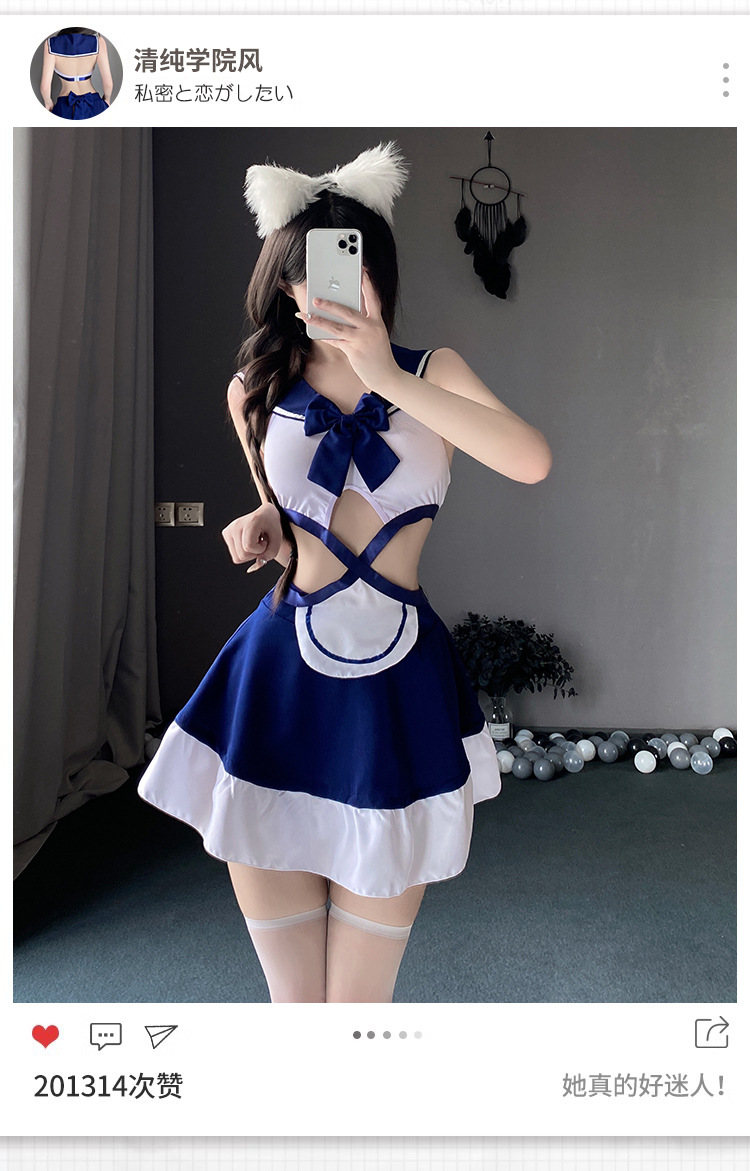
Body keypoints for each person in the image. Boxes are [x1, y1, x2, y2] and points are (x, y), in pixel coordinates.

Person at [138, 142, 552, 1003]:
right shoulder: (253, 388)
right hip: (278, 680)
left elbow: (530, 460)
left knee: (357, 1009)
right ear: (286, 287)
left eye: (346, 262)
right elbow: (284, 516)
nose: (325, 286)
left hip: (398, 690)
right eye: (305, 272)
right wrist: (264, 524)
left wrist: (382, 373)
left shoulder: (433, 372)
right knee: (296, 1008)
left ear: (375, 272)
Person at [41, 28, 112, 120]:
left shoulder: (50, 44)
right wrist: (107, 99)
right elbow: (108, 84)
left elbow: (44, 87)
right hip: (94, 103)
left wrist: (48, 103)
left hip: (65, 106)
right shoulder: (99, 41)